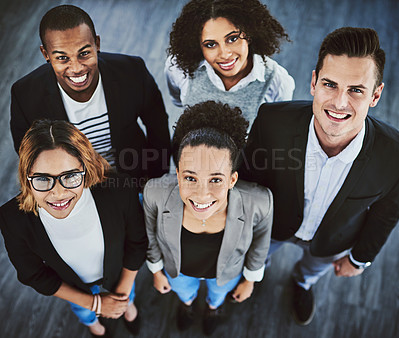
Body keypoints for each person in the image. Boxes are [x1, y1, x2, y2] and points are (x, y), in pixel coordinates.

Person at [240, 27, 399, 325]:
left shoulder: (395, 157)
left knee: (311, 271)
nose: (340, 103)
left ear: (375, 95)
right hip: (271, 226)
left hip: (332, 241)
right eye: (330, 84)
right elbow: (248, 180)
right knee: (257, 260)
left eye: (356, 90)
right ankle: (256, 275)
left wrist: (359, 258)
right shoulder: (271, 122)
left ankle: (301, 283)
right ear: (314, 82)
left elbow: (386, 214)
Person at [0, 120, 148, 337]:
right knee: (84, 312)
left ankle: (128, 308)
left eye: (70, 176)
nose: (58, 194)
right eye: (42, 179)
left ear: (85, 169)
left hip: (119, 274)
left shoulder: (119, 191)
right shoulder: (12, 219)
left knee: (127, 296)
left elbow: (137, 243)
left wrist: (123, 296)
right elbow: (34, 275)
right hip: (75, 288)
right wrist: (95, 304)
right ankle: (94, 325)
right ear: (26, 177)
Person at [144, 101, 273, 335]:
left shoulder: (259, 202)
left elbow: (260, 243)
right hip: (178, 271)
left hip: (226, 274)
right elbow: (151, 236)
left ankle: (213, 307)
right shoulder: (154, 193)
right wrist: (156, 271)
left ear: (232, 180)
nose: (202, 195)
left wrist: (250, 280)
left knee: (217, 295)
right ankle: (187, 304)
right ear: (178, 173)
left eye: (216, 180)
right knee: (184, 292)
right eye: (190, 178)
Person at [10, 5, 171, 189]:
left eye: (84, 53)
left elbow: (158, 129)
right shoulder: (25, 94)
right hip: (70, 187)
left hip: (132, 178)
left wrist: (155, 180)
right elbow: (29, 155)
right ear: (46, 54)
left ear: (97, 44)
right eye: (62, 58)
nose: (77, 68)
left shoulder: (132, 71)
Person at [165, 0, 295, 124]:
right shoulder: (179, 67)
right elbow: (178, 100)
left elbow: (276, 128)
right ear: (198, 46)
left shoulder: (277, 81)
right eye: (210, 45)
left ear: (248, 35)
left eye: (232, 39)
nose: (225, 54)